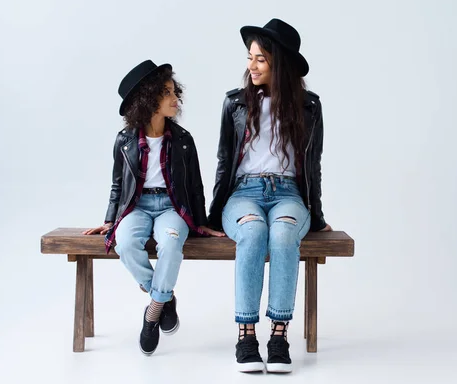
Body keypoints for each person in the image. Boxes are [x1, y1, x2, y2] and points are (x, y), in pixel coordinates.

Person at [208, 19, 332, 373]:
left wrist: (318, 217)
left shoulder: (309, 106)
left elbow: (313, 165)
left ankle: (279, 336)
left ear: (279, 63)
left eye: (260, 59)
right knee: (251, 231)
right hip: (244, 193)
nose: (251, 66)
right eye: (250, 58)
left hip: (289, 194)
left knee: (282, 233)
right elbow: (223, 161)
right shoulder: (234, 103)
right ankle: (246, 336)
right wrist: (212, 217)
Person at [84, 60, 223, 355]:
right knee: (124, 242)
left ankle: (152, 314)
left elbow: (195, 186)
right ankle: (165, 296)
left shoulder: (183, 140)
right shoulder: (125, 140)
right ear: (149, 99)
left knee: (171, 243)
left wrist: (202, 222)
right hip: (137, 206)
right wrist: (111, 220)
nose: (176, 100)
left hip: (172, 206)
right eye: (167, 94)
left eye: (175, 92)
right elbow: (118, 186)